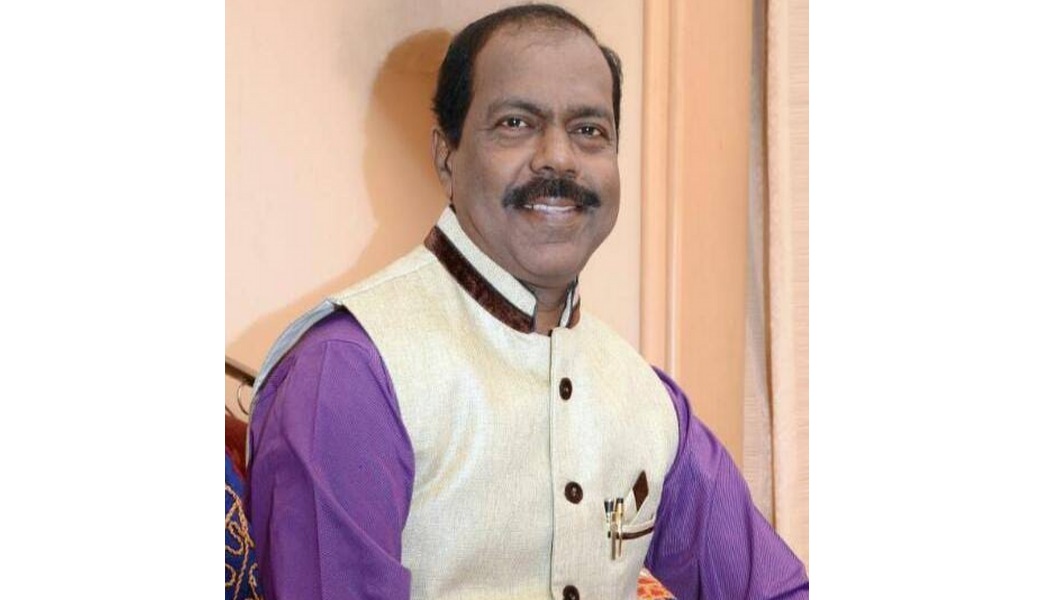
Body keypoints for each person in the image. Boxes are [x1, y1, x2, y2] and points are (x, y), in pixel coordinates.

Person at [246, 4, 809, 599]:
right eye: (516, 123)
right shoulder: (348, 375)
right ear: (446, 157)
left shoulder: (648, 404)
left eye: (589, 130)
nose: (559, 157)